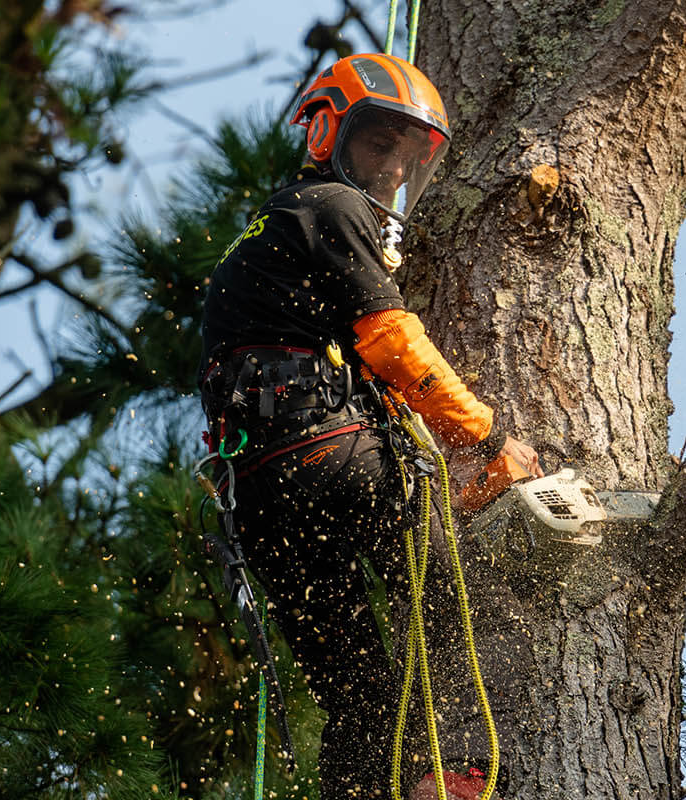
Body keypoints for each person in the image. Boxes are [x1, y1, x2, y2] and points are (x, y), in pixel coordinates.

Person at [197, 53, 539, 799]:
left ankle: (374, 788)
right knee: (448, 589)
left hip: (257, 496)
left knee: (354, 685)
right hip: (326, 452)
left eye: (407, 156)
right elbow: (391, 342)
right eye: (376, 145)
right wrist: (484, 437)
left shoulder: (273, 231)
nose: (389, 169)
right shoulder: (330, 205)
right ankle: (452, 765)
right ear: (327, 132)